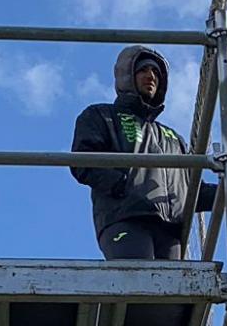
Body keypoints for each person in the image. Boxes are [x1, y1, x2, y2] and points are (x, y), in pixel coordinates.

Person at [71, 45, 214, 260]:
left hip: (170, 230)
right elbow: (83, 161)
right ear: (127, 75)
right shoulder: (102, 115)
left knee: (172, 282)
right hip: (126, 218)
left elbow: (192, 190)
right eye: (143, 70)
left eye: (156, 72)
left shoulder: (174, 138)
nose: (151, 76)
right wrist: (121, 184)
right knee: (139, 278)